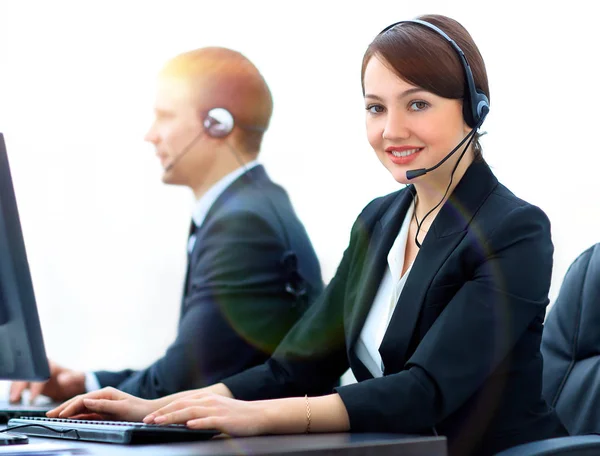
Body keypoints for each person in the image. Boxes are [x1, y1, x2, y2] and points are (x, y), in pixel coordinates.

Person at [47, 16, 567, 456]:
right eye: (375, 107)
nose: (390, 130)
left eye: (417, 104)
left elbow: (426, 390)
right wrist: (158, 408)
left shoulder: (514, 230)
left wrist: (263, 417)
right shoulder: (379, 220)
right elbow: (295, 367)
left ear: (474, 109)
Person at [10, 47, 324, 402]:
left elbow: (184, 380)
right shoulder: (247, 208)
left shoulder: (244, 225)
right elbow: (192, 364)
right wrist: (86, 383)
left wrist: (95, 399)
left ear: (217, 123)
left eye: (164, 116)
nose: (151, 135)